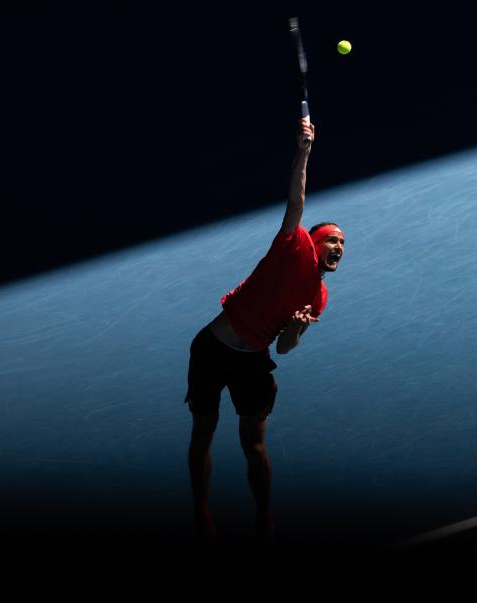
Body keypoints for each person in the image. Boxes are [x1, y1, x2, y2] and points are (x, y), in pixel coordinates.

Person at [185, 117, 345, 550]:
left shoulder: (319, 297)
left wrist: (296, 329)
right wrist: (304, 152)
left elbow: (285, 349)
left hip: (252, 360)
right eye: (332, 240)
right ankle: (201, 507)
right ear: (312, 242)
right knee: (204, 431)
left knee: (254, 445)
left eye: (343, 244)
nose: (339, 247)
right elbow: (296, 199)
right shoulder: (291, 245)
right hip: (212, 350)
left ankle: (263, 515)